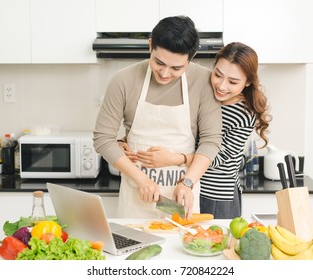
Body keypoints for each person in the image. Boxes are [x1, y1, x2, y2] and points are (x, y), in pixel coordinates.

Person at [121, 42, 271, 219]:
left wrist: (174, 159)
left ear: (247, 83)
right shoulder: (204, 93)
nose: (222, 86)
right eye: (218, 75)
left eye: (233, 82)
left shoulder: (243, 113)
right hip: (186, 187)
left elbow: (217, 158)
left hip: (215, 195)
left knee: (210, 243)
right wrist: (124, 141)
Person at [93, 16, 222, 219]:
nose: (164, 73)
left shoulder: (203, 82)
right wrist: (141, 179)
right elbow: (102, 139)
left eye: (176, 68)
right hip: (135, 199)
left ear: (191, 57)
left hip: (182, 199)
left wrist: (187, 182)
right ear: (151, 45)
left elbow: (211, 141)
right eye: (159, 62)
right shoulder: (123, 80)